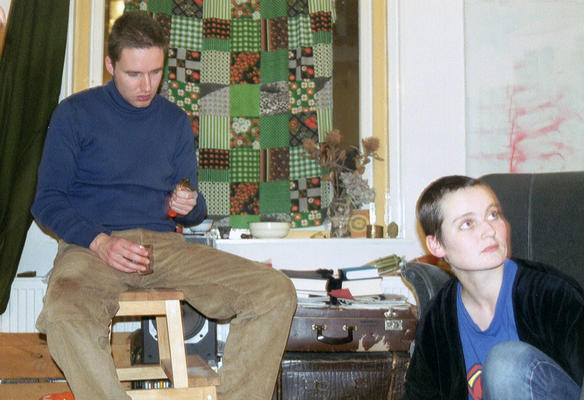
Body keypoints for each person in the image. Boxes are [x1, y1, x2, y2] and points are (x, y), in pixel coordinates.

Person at [31, 11, 296, 400]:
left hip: (164, 248)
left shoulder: (174, 121)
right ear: (110, 65)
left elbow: (194, 210)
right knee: (65, 313)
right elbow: (46, 200)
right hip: (93, 248)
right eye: (134, 74)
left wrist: (188, 204)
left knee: (275, 292)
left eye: (155, 72)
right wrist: (100, 242)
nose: (146, 86)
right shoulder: (74, 114)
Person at [404, 175, 584, 400]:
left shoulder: (550, 295)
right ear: (437, 245)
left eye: (493, 214)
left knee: (506, 365)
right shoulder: (438, 319)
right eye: (467, 224)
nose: (490, 230)